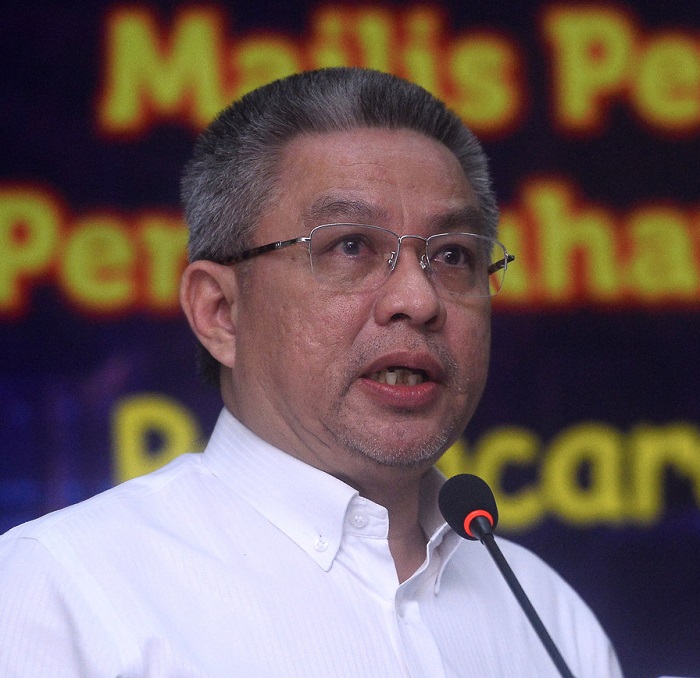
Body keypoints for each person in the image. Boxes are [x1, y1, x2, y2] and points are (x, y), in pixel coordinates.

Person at [0, 67, 622, 677]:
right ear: (220, 312)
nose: (419, 299)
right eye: (350, 246)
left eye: (454, 255)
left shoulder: (547, 617)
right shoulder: (62, 592)